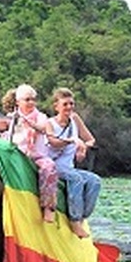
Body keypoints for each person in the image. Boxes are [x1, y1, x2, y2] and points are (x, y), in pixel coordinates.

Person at [47, 87, 101, 239]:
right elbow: (53, 142)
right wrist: (71, 141)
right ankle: (74, 220)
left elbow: (90, 139)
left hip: (69, 167)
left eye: (71, 104)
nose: (69, 107)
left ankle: (83, 216)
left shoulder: (75, 119)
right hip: (55, 166)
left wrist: (83, 147)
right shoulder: (50, 123)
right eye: (65, 104)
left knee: (94, 181)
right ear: (56, 106)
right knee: (76, 179)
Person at [9, 83, 60, 223]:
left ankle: (48, 207)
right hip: (16, 152)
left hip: (35, 155)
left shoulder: (41, 116)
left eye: (32, 99)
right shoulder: (12, 117)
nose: (31, 102)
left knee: (49, 167)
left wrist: (29, 123)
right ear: (18, 102)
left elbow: (43, 128)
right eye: (27, 100)